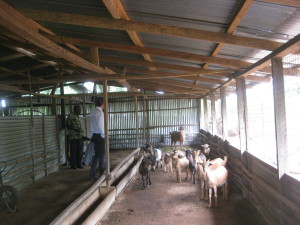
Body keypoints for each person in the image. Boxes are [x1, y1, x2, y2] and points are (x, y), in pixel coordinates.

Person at [89, 97, 106, 180]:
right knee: (101, 154)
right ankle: (102, 173)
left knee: (96, 155)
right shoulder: (100, 113)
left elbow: (91, 125)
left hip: (94, 135)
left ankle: (92, 173)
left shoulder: (93, 112)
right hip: (100, 136)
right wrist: (104, 136)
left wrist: (91, 135)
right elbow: (101, 126)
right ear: (103, 104)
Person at [67, 105, 85, 169]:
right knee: (74, 152)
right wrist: (77, 131)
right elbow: (71, 126)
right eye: (78, 109)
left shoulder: (76, 116)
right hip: (73, 137)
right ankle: (73, 165)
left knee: (79, 152)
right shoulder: (72, 116)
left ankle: (78, 164)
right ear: (75, 109)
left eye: (80, 109)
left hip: (78, 137)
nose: (80, 111)